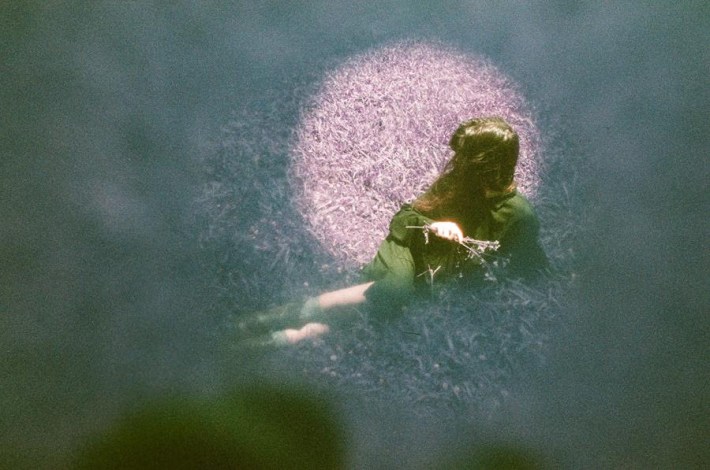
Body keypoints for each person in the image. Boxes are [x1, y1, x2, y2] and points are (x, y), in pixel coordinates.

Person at [238, 117, 547, 346]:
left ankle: (286, 336)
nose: (457, 163)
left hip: (437, 271)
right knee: (395, 291)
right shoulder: (459, 183)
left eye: (465, 158)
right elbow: (406, 218)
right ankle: (287, 315)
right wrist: (434, 225)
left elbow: (529, 259)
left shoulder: (519, 215)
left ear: (487, 164)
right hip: (410, 244)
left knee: (392, 309)